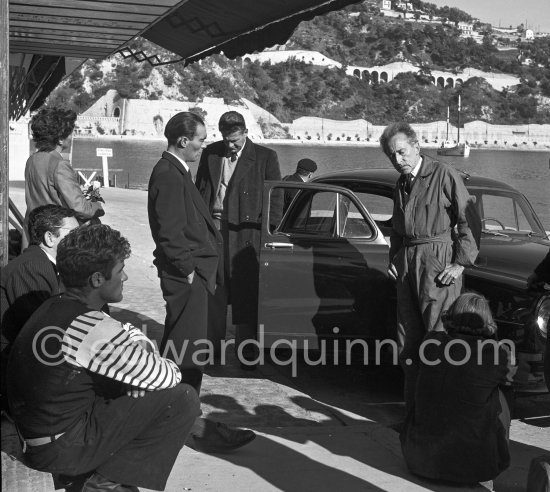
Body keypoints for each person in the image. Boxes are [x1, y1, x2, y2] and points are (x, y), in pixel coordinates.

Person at [7, 224, 200, 491]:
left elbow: (127, 332)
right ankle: (106, 484)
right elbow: (167, 375)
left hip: (37, 437)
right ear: (98, 279)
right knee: (181, 398)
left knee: (133, 381)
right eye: (120, 271)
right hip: (58, 450)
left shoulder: (56, 306)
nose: (126, 278)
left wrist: (137, 363)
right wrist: (140, 372)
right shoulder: (92, 327)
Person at [148, 111, 255, 452]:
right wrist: (189, 270)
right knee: (187, 352)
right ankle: (185, 424)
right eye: (199, 139)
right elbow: (169, 232)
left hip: (190, 275)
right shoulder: (168, 173)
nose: (202, 145)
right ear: (183, 140)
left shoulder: (175, 171)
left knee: (184, 349)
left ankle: (179, 418)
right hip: (186, 277)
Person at [380, 122, 480, 409]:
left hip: (438, 262)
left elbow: (469, 220)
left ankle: (438, 416)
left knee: (438, 338)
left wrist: (461, 263)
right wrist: (394, 261)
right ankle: (414, 413)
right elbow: (398, 230)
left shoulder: (444, 175)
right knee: (407, 338)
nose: (397, 160)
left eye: (401, 152)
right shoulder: (401, 184)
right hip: (408, 264)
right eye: (391, 155)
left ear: (416, 146)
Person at [401, 293, 516, 487]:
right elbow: (509, 378)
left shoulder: (431, 342)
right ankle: (490, 457)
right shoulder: (497, 352)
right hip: (469, 470)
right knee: (503, 394)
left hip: (417, 460)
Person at [195, 111, 283, 364]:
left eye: (235, 140)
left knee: (246, 296)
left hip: (247, 235)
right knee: (214, 292)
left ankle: (247, 356)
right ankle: (210, 354)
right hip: (215, 231)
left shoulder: (266, 157)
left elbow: (275, 199)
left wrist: (268, 231)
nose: (230, 145)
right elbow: (201, 189)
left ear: (245, 132)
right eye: (226, 140)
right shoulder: (211, 153)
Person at [1, 205, 79, 406]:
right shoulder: (32, 267)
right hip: (14, 373)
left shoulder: (44, 263)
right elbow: (43, 330)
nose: (80, 241)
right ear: (50, 238)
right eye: (73, 234)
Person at [24, 107, 104, 227]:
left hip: (33, 229)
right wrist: (96, 204)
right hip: (56, 233)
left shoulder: (32, 160)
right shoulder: (59, 165)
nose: (72, 137)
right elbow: (80, 208)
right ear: (61, 139)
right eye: (71, 133)